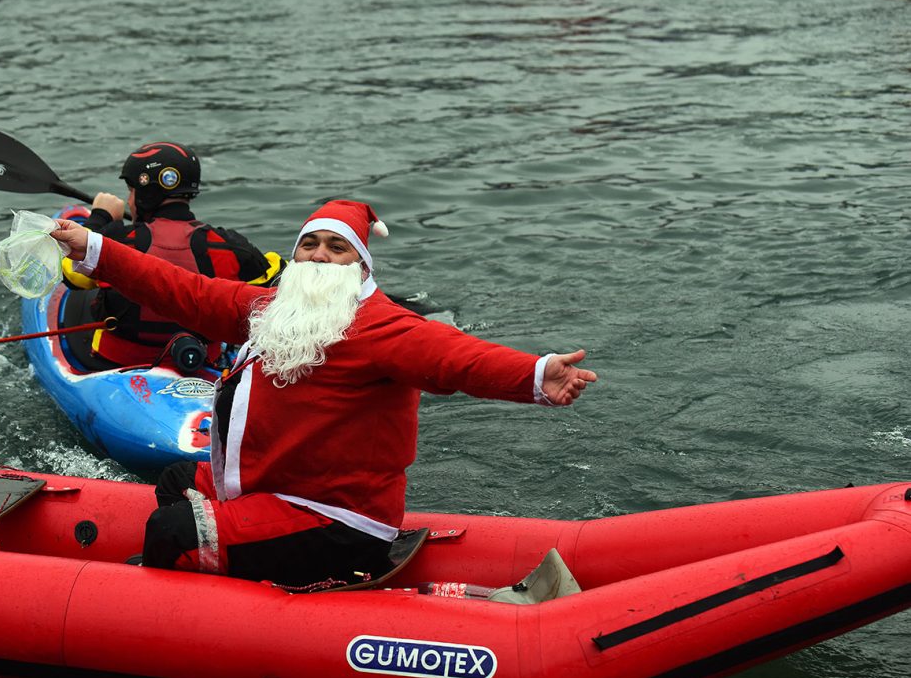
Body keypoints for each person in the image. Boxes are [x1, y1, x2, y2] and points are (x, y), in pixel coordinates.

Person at [52, 199, 597, 588]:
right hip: (273, 488)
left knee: (173, 528)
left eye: (337, 248)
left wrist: (537, 373)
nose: (318, 256)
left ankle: (177, 602)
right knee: (176, 479)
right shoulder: (270, 308)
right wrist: (97, 249)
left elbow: (455, 357)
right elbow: (182, 290)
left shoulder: (382, 325)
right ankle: (221, 575)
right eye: (309, 244)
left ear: (361, 266)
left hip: (333, 518)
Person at [65, 141, 282, 368]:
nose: (129, 201)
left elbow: (71, 274)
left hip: (114, 365)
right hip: (205, 364)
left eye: (131, 192)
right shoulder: (233, 247)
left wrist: (100, 217)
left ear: (145, 193)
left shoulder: (116, 239)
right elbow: (278, 278)